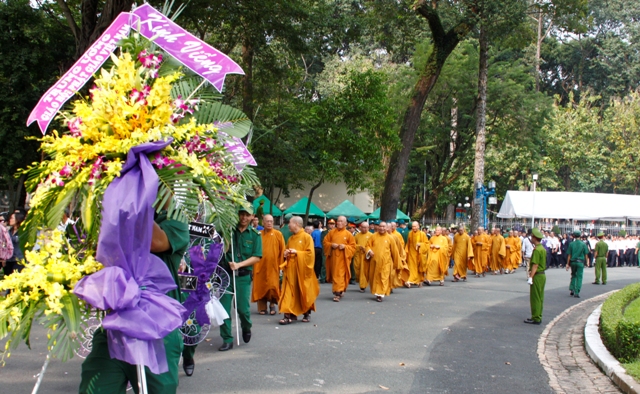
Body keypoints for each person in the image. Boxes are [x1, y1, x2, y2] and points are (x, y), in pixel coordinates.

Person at [80, 210, 189, 391]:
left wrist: (131, 201)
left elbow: (154, 242)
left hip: (157, 332)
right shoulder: (114, 216)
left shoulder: (175, 219)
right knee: (95, 387)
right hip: (115, 327)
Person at [218, 206, 262, 352]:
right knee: (223, 309)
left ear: (252, 216)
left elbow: (256, 257)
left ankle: (246, 326)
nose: (243, 218)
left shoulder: (255, 235)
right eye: (241, 214)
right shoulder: (227, 231)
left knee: (243, 309)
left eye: (247, 215)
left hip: (242, 276)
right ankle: (227, 339)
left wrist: (239, 264)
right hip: (225, 275)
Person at [279, 216, 320, 325]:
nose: (288, 225)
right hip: (291, 270)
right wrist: (286, 253)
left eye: (290, 223)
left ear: (296, 224)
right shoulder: (291, 238)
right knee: (288, 292)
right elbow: (287, 251)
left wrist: (297, 253)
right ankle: (288, 315)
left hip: (302, 270)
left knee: (303, 291)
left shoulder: (307, 237)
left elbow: (310, 255)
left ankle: (306, 312)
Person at [252, 214, 284, 316]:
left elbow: (282, 250)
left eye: (271, 221)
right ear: (263, 223)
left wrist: (281, 265)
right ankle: (262, 308)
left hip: (273, 265)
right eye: (267, 221)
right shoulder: (258, 234)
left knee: (272, 286)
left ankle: (272, 305)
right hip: (259, 265)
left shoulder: (278, 234)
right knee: (260, 286)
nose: (269, 223)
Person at [365, 221, 400, 302]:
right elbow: (367, 245)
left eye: (384, 227)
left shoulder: (390, 238)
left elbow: (394, 251)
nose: (382, 228)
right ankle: (377, 292)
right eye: (380, 226)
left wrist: (397, 263)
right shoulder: (373, 236)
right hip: (374, 262)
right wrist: (369, 251)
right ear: (378, 227)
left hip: (385, 263)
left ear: (387, 228)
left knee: (383, 277)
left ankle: (380, 294)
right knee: (375, 277)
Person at [323, 216, 355, 302]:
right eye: (338, 221)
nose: (339, 223)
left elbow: (353, 247)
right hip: (333, 258)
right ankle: (340, 290)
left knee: (340, 275)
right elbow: (325, 242)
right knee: (335, 274)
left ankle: (337, 293)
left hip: (343, 259)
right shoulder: (331, 233)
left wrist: (345, 247)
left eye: (341, 221)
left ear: (345, 223)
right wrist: (331, 245)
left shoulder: (348, 234)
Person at [525, 228, 546, 325]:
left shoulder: (537, 250)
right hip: (542, 275)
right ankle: (538, 315)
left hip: (537, 275)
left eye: (532, 237)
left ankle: (536, 317)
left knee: (535, 297)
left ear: (534, 238)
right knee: (540, 297)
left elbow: (535, 265)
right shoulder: (542, 248)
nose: (531, 238)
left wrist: (530, 277)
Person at [566, 230, 589, 298]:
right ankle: (577, 291)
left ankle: (572, 288)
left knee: (573, 275)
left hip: (573, 261)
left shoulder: (571, 244)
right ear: (580, 236)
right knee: (579, 276)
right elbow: (586, 254)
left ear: (574, 236)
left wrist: (567, 263)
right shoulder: (583, 244)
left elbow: (569, 255)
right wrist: (587, 261)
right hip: (580, 262)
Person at [405, 221, 428, 287]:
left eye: (415, 226)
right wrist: (406, 252)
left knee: (419, 268)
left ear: (418, 226)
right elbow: (408, 244)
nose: (414, 228)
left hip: (419, 254)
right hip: (411, 254)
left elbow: (427, 244)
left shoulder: (422, 234)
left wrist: (420, 244)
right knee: (412, 268)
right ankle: (410, 280)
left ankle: (419, 280)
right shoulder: (410, 233)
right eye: (412, 226)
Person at [3, 212, 25, 277]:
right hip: (8, 259)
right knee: (7, 277)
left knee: (15, 278)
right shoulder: (9, 231)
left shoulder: (22, 231)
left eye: (12, 218)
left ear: (17, 219)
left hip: (18, 259)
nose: (10, 220)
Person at [353, 221, 372, 292]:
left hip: (366, 256)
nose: (364, 229)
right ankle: (360, 281)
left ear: (368, 228)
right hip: (358, 255)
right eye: (363, 227)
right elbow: (353, 244)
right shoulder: (357, 235)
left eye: (366, 227)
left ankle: (363, 286)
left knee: (364, 271)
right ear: (360, 227)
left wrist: (367, 249)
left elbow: (373, 245)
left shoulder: (371, 235)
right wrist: (359, 247)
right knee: (357, 270)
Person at [319, 218, 336, 283]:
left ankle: (331, 278)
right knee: (324, 264)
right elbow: (322, 241)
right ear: (328, 224)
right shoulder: (324, 232)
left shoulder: (336, 232)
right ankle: (323, 278)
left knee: (333, 265)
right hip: (326, 250)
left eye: (333, 224)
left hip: (334, 251)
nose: (332, 225)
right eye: (330, 224)